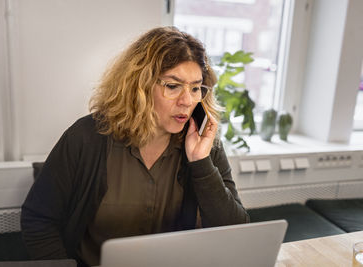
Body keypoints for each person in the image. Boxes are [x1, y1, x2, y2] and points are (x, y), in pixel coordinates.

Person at [21, 26, 249, 267]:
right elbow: (39, 219)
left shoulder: (205, 146)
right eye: (172, 86)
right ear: (139, 86)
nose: (187, 101)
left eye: (195, 88)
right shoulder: (86, 138)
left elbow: (236, 233)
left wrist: (201, 163)